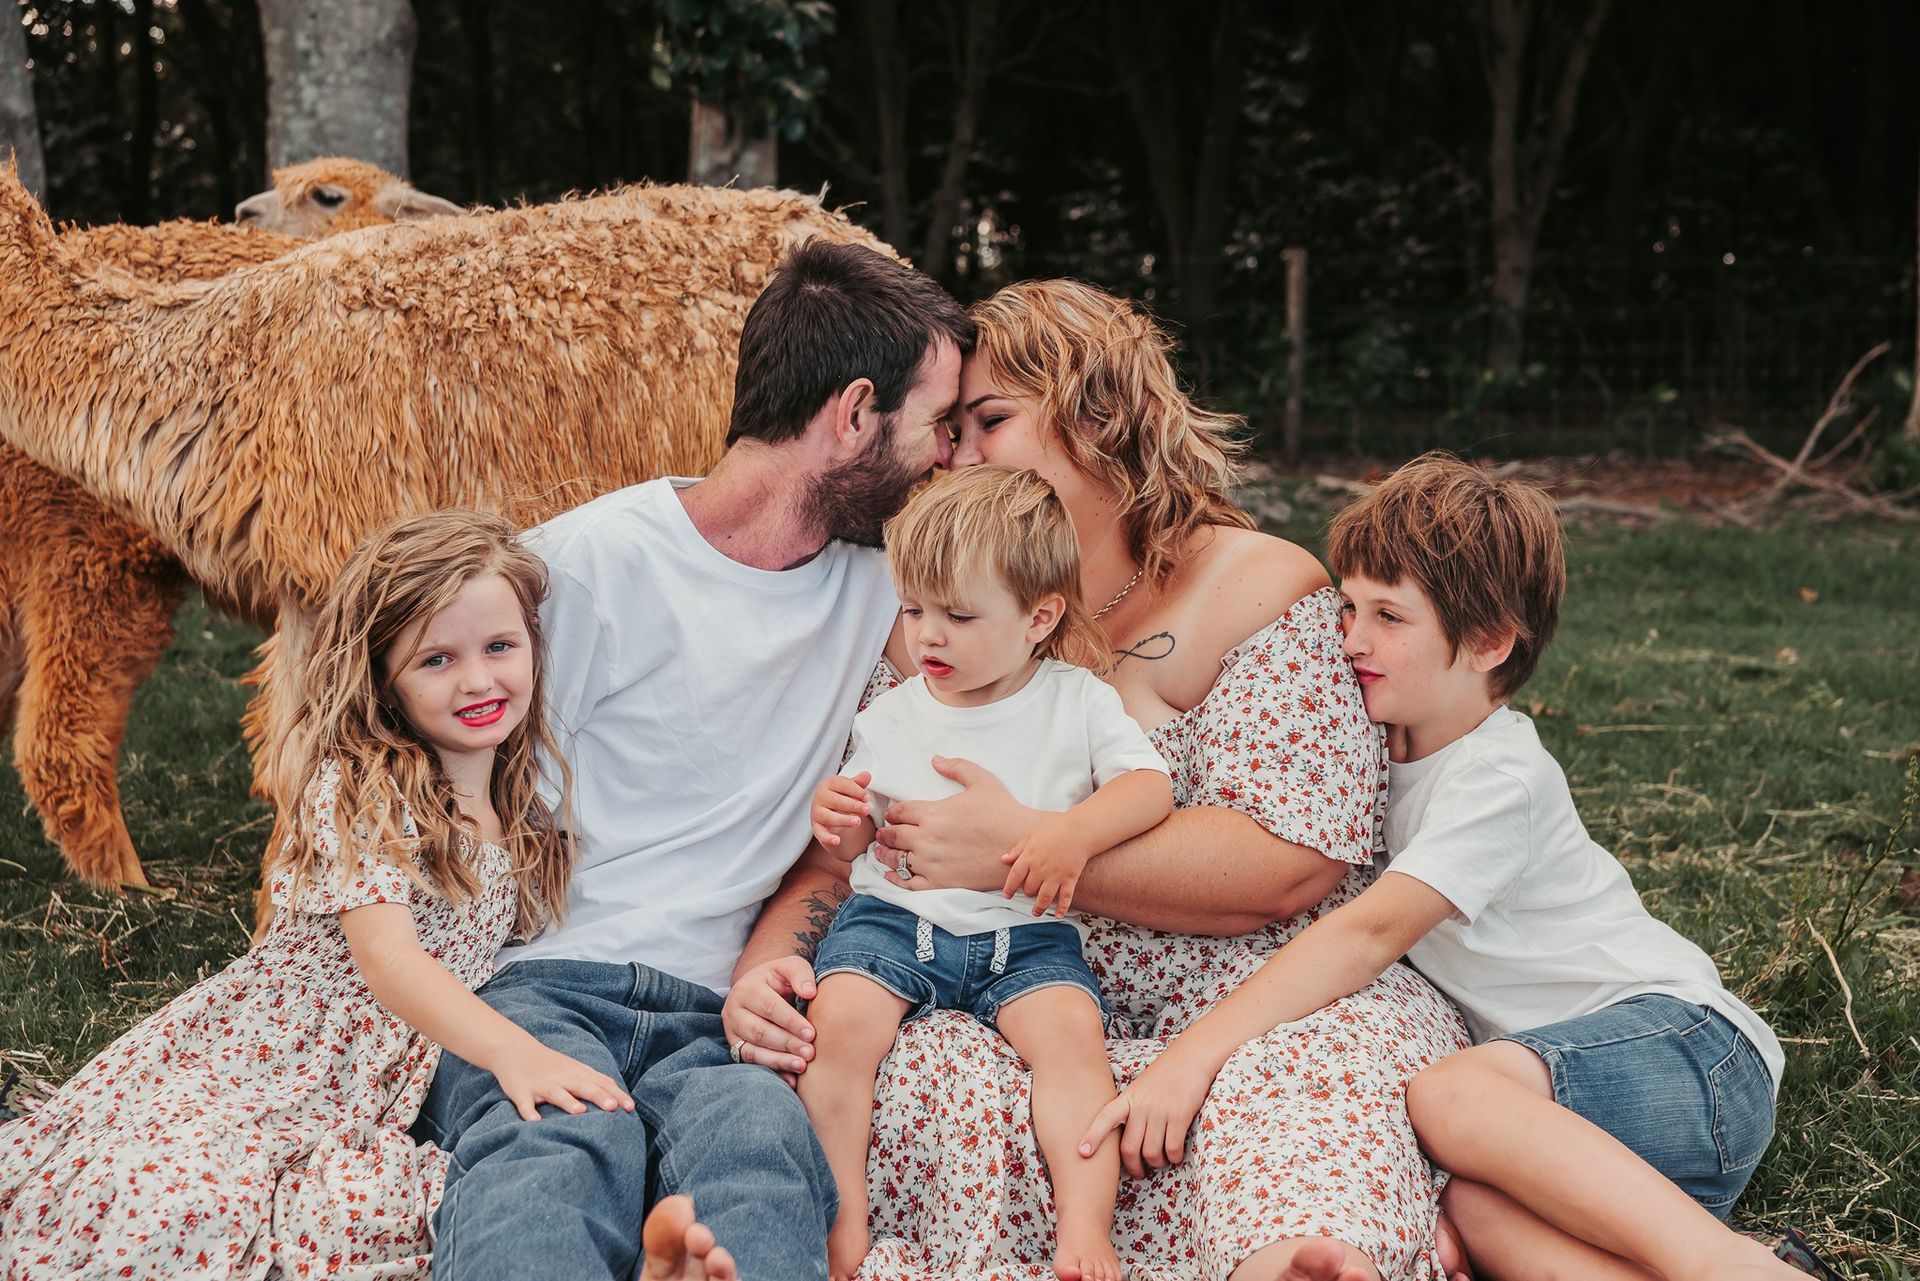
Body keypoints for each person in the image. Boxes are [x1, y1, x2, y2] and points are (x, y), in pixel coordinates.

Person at [726, 279, 1474, 1281]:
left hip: (1252, 996)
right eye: (949, 430)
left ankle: (1291, 1262)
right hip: (993, 992)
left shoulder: (1253, 587)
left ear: (1101, 415)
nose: (958, 456)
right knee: (914, 1079)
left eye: (990, 420)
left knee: (1294, 1088)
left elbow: (1287, 864)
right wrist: (766, 969)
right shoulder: (935, 620)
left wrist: (1019, 852)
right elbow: (847, 853)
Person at [1076, 454, 1799, 1281]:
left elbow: (1368, 931)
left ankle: (1733, 1269)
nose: (1349, 639)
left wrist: (1192, 1056)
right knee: (1470, 1209)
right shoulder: (1373, 756)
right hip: (1574, 1122)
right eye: (1348, 607)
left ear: (1489, 640)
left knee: (1450, 1098)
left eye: (1389, 616)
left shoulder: (1499, 776)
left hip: (1688, 1053)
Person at [409, 239, 978, 1281]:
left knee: (761, 1157)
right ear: (853, 415)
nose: (950, 456)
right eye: (938, 425)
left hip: (717, 1016)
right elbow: (415, 790)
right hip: (537, 983)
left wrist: (768, 966)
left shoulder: (886, 594)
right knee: (556, 1147)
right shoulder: (577, 569)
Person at [0, 509, 608, 1280]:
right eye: (437, 660)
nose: (479, 679)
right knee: (183, 1197)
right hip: (288, 1051)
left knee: (389, 1207)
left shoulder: (522, 805)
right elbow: (387, 958)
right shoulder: (370, 789)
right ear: (382, 674)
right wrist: (513, 1052)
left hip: (377, 1076)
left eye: (499, 647)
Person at [803, 465, 1173, 1281]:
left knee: (1075, 1048)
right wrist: (838, 822)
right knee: (841, 1029)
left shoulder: (1075, 700)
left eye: (958, 615)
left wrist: (1072, 835)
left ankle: (1085, 1229)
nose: (928, 636)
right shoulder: (891, 711)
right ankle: (844, 1220)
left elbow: (1149, 787)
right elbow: (853, 844)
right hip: (895, 922)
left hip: (1027, 933)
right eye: (912, 610)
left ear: (1040, 616)